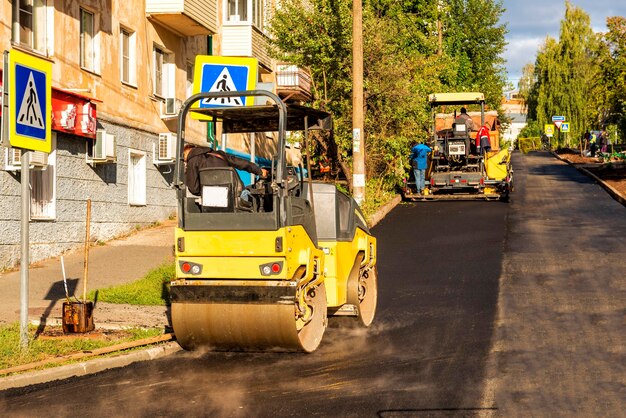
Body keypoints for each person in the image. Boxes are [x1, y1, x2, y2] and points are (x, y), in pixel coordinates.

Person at [184, 143, 268, 196]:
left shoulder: (192, 162)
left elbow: (194, 189)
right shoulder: (219, 154)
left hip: (210, 199)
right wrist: (259, 171)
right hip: (234, 193)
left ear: (185, 153)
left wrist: (207, 193)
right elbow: (240, 163)